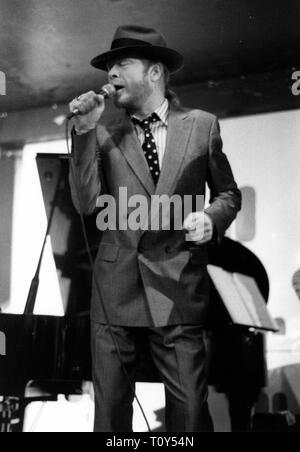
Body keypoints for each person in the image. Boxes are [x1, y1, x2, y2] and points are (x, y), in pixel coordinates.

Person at [68, 24, 241, 432]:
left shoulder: (202, 125)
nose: (110, 73)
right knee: (110, 419)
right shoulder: (103, 132)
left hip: (178, 286)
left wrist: (211, 218)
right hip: (114, 291)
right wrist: (84, 131)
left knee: (190, 419)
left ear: (155, 72)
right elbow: (84, 204)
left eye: (121, 63)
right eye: (108, 65)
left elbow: (229, 194)